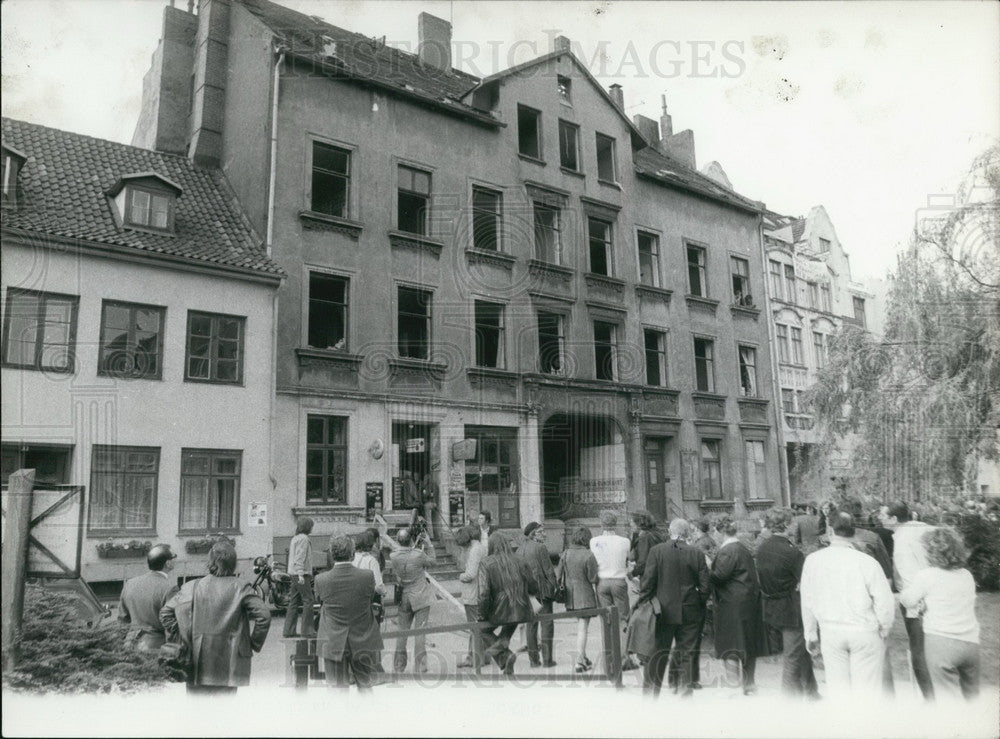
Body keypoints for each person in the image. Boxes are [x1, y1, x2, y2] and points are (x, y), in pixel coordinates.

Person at [800, 513, 895, 698]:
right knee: (867, 691)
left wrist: (810, 633)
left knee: (838, 690)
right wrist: (884, 627)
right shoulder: (867, 562)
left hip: (831, 631)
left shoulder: (813, 561)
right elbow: (885, 600)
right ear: (854, 532)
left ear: (830, 531)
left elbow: (807, 600)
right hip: (863, 630)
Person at [160, 542, 271, 694]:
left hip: (197, 661)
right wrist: (253, 643)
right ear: (233, 563)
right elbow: (264, 616)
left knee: (196, 712)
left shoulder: (192, 586)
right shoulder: (242, 587)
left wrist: (183, 636)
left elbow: (166, 612)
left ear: (209, 562)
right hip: (230, 663)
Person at [900, 527, 980, 701]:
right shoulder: (966, 575)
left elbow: (908, 601)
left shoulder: (927, 575)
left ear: (930, 552)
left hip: (942, 641)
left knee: (947, 697)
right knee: (973, 696)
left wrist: (906, 592)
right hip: (970, 641)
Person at [636, 518, 709, 697]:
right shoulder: (696, 553)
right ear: (687, 534)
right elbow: (706, 586)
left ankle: (651, 696)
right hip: (690, 610)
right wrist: (698, 602)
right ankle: (685, 696)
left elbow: (648, 582)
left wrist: (642, 602)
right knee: (687, 654)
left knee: (657, 654)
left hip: (662, 610)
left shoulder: (657, 551)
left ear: (670, 532)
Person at [755, 508, 819, 699]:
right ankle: (790, 702)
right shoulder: (793, 552)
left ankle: (811, 692)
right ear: (787, 525)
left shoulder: (762, 548)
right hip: (791, 608)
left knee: (801, 650)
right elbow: (805, 583)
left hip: (771, 607)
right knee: (792, 657)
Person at [881, 500, 935, 699]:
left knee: (918, 649)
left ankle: (929, 698)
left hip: (917, 600)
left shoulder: (902, 542)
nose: (879, 518)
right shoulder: (921, 528)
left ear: (894, 519)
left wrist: (910, 601)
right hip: (936, 593)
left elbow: (908, 576)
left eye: (883, 515)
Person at [314, 535, 383, 690]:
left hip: (333, 640)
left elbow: (319, 600)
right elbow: (370, 597)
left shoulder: (321, 579)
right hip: (363, 637)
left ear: (332, 554)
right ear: (352, 554)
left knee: (337, 691)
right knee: (365, 688)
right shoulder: (367, 576)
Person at [711, 517, 767, 696]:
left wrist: (706, 567)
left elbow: (720, 576)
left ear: (720, 532)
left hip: (731, 605)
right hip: (748, 602)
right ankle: (749, 684)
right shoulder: (742, 548)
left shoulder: (727, 551)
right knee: (748, 644)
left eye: (715, 532)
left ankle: (733, 685)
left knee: (731, 644)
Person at [477, 532, 536, 676]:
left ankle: (505, 657)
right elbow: (533, 586)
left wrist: (481, 614)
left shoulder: (486, 562)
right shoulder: (520, 560)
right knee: (507, 630)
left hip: (499, 609)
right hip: (521, 608)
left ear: (491, 545)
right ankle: (506, 666)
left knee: (482, 630)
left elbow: (484, 593)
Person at [389, 527, 436, 673]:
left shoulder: (393, 556)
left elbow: (405, 554)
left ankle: (399, 665)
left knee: (402, 632)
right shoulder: (418, 554)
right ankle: (420, 666)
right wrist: (429, 544)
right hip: (420, 595)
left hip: (404, 595)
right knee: (420, 632)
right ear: (410, 540)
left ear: (398, 541)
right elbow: (433, 562)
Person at [118, 543, 179, 652]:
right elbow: (172, 624)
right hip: (156, 647)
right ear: (168, 563)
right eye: (174, 558)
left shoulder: (130, 583)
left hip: (129, 644)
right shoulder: (170, 588)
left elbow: (122, 619)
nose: (175, 561)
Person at [557, 526, 599, 673]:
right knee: (583, 628)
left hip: (570, 597)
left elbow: (558, 575)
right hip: (585, 596)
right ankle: (579, 661)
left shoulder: (565, 553)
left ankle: (584, 656)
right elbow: (593, 578)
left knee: (581, 626)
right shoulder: (588, 555)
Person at [590, 511, 631, 659]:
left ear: (601, 524)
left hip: (602, 582)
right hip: (619, 581)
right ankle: (623, 655)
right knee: (622, 618)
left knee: (606, 618)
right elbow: (628, 559)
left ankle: (609, 653)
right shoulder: (625, 541)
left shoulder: (594, 541)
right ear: (616, 523)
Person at [518, 521, 558, 667]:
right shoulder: (540, 547)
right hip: (542, 591)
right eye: (541, 531)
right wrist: (554, 588)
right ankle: (547, 660)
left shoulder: (520, 549)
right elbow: (549, 571)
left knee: (531, 625)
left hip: (527, 592)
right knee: (547, 624)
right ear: (533, 534)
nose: (545, 534)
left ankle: (533, 661)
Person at [456, 526, 487, 670]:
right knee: (476, 628)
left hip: (473, 594)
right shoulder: (477, 547)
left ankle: (476, 659)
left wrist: (460, 576)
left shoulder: (474, 550)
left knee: (474, 628)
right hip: (478, 592)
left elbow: (470, 574)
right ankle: (477, 657)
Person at [284, 516, 316, 638]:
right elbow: (300, 557)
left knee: (293, 601)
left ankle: (288, 630)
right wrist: (301, 573)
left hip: (293, 573)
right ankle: (307, 630)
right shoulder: (304, 539)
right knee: (308, 600)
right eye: (311, 526)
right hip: (301, 574)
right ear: (308, 527)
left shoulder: (295, 538)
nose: (312, 528)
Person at [628, 510, 663, 580]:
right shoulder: (655, 533)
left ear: (639, 523)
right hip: (656, 574)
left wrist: (632, 573)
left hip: (648, 577)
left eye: (632, 521)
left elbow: (643, 561)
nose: (630, 524)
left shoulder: (645, 537)